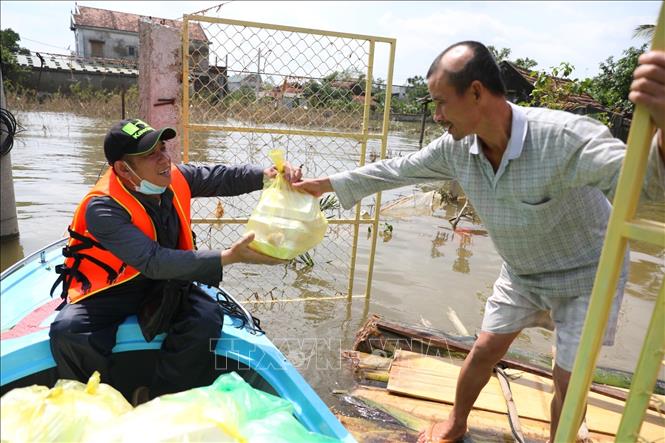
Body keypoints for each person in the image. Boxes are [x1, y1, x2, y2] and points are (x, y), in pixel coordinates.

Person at [294, 42, 665, 442]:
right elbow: (396, 170)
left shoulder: (563, 138)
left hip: (587, 273)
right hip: (523, 271)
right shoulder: (456, 149)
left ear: (475, 92)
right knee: (484, 349)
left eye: (440, 103)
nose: (436, 116)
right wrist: (323, 185)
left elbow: (644, 188)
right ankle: (456, 423)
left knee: (569, 381)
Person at [49, 118, 298, 402]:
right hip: (112, 287)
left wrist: (267, 175)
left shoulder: (175, 177)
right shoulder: (102, 206)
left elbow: (222, 176)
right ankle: (99, 403)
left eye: (163, 148)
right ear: (122, 168)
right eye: (149, 154)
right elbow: (153, 260)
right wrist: (228, 257)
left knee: (205, 319)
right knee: (68, 331)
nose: (164, 159)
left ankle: (160, 398)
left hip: (167, 282)